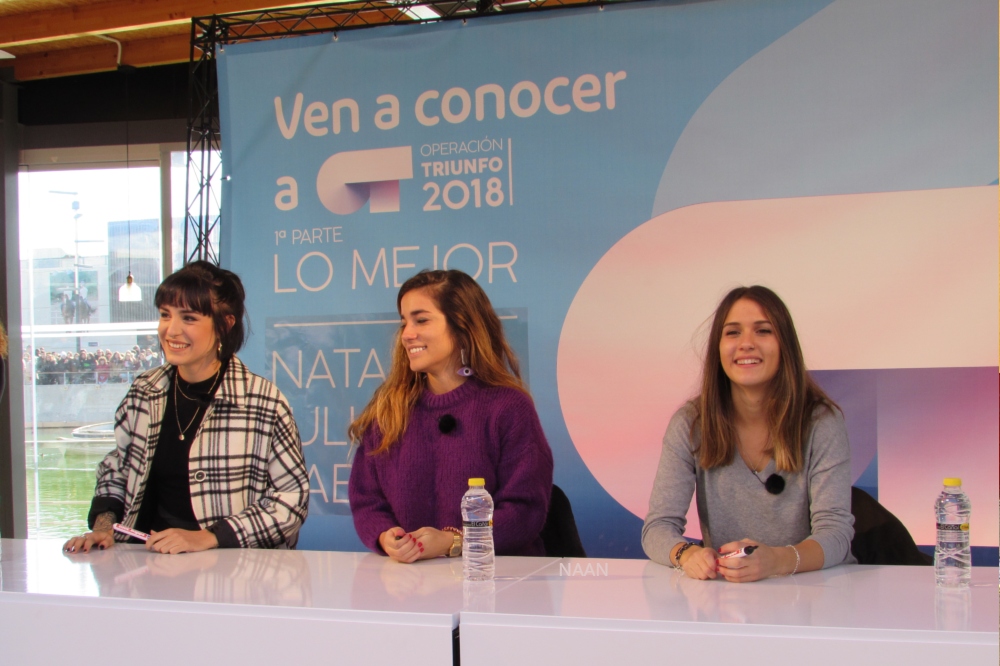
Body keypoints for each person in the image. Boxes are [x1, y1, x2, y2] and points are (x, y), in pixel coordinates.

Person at [63, 261, 309, 555]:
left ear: (225, 324)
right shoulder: (145, 391)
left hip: (233, 569)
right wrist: (103, 528)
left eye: (189, 318)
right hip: (145, 562)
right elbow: (117, 470)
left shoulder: (263, 401)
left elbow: (291, 500)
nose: (171, 330)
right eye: (165, 315)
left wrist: (210, 536)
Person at [642, 285, 854, 582]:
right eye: (733, 333)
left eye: (763, 331)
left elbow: (836, 534)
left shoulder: (821, 422)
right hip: (728, 596)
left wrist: (776, 561)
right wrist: (687, 555)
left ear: (785, 345)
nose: (746, 344)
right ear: (718, 348)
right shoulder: (691, 424)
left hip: (814, 593)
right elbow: (657, 528)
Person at [349, 269, 553, 563]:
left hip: (493, 577)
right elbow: (367, 500)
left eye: (421, 320)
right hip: (410, 582)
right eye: (404, 322)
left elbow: (524, 511)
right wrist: (385, 535)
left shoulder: (508, 407)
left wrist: (452, 541)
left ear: (461, 326)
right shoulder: (388, 409)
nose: (407, 334)